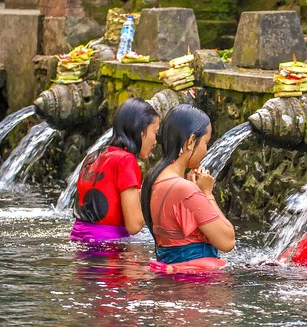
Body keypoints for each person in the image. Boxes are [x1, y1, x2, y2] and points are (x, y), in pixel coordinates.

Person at [141, 104, 235, 272]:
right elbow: (227, 241)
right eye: (206, 143)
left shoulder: (153, 179)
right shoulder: (184, 189)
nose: (206, 150)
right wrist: (206, 193)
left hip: (173, 275)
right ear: (191, 141)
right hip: (196, 284)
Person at [70, 98, 159, 243]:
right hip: (107, 245)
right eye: (155, 132)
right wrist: (154, 200)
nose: (155, 141)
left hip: (78, 238)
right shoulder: (126, 161)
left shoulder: (95, 155)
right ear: (141, 131)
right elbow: (134, 225)